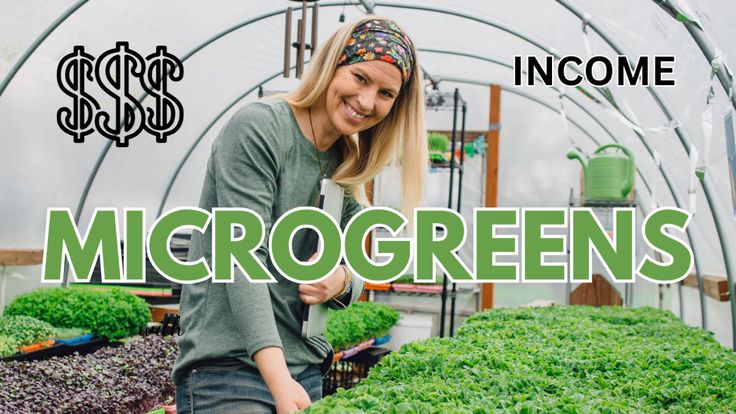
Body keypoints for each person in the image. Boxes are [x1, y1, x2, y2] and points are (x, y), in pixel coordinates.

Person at [173, 16, 427, 414]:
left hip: (304, 369)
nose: (366, 101)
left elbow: (353, 268)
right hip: (230, 372)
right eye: (359, 77)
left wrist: (341, 280)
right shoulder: (260, 128)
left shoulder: (349, 162)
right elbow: (241, 259)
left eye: (385, 93)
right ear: (332, 65)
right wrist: (279, 382)